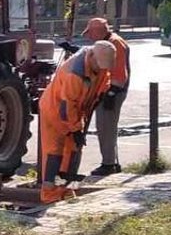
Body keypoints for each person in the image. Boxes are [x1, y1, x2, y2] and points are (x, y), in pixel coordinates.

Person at [38, 41, 115, 203]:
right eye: (99, 66)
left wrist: (105, 94)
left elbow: (103, 80)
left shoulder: (98, 63)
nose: (102, 69)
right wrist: (75, 129)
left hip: (74, 112)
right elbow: (68, 106)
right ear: (92, 56)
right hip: (55, 111)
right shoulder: (74, 73)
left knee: (73, 151)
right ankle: (49, 193)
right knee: (54, 153)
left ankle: (64, 188)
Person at [84, 18, 131, 175]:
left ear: (98, 31)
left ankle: (108, 164)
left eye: (90, 33)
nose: (89, 37)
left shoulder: (114, 44)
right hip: (109, 90)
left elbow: (119, 73)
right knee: (107, 127)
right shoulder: (109, 42)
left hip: (112, 91)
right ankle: (112, 162)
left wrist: (111, 93)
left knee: (106, 127)